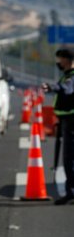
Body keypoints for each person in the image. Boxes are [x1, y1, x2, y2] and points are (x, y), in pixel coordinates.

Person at [42, 48, 74, 205]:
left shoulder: (72, 76)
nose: (58, 62)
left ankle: (71, 192)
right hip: (67, 120)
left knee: (70, 159)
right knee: (68, 158)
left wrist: (52, 87)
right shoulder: (67, 76)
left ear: (68, 60)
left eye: (60, 58)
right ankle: (70, 191)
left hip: (72, 122)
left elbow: (67, 89)